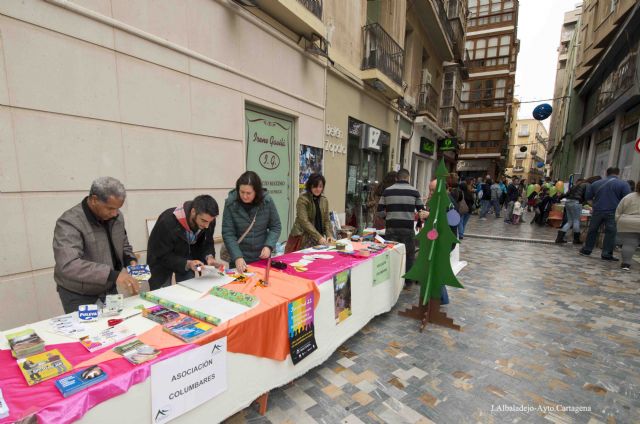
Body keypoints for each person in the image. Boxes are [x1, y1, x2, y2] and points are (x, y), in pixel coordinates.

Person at [53, 177, 139, 314]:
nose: (115, 213)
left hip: (109, 286)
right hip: (79, 293)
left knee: (116, 323)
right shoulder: (69, 222)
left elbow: (123, 244)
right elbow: (69, 264)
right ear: (94, 200)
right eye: (110, 208)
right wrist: (113, 275)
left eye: (118, 208)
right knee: (88, 328)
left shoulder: (117, 216)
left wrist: (130, 260)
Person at [147, 195, 222, 290]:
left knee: (189, 290)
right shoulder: (167, 221)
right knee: (162, 293)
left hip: (188, 259)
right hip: (161, 261)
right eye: (203, 221)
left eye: (210, 222)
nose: (207, 226)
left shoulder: (208, 220)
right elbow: (161, 254)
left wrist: (209, 257)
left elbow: (207, 242)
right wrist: (187, 263)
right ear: (193, 212)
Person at [222, 171, 282, 273]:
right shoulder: (231, 203)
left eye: (248, 193)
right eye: (242, 192)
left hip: (261, 256)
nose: (245, 196)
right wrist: (237, 256)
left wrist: (268, 246)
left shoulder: (267, 201)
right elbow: (228, 233)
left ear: (256, 191)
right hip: (239, 259)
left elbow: (275, 226)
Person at [377, 169, 428, 288]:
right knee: (409, 255)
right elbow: (422, 211)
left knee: (391, 254)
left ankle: (392, 282)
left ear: (396, 178)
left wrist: (388, 217)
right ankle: (408, 282)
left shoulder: (387, 191)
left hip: (391, 228)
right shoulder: (414, 191)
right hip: (407, 229)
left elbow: (379, 212)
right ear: (408, 178)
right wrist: (418, 222)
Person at [580, 167, 631, 261]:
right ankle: (606, 254)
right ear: (618, 173)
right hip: (613, 212)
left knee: (592, 230)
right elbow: (626, 200)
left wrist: (595, 205)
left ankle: (587, 249)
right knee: (610, 233)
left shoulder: (596, 183)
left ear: (606, 173)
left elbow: (588, 198)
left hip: (597, 211)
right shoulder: (624, 184)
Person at [286, 173, 333, 253]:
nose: (318, 189)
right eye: (315, 186)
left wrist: (329, 235)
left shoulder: (324, 200)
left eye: (320, 186)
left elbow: (326, 220)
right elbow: (304, 221)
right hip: (303, 237)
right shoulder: (303, 199)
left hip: (319, 237)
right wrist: (319, 237)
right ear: (310, 186)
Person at [615, 181, 640, 271]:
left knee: (629, 243)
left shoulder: (629, 197)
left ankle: (626, 264)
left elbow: (618, 210)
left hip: (628, 222)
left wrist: (618, 221)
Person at [555, 179, 587, 244]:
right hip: (576, 202)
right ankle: (576, 239)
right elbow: (586, 196)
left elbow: (567, 194)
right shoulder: (586, 185)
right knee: (576, 220)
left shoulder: (574, 186)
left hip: (568, 202)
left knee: (570, 221)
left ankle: (559, 238)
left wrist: (560, 197)